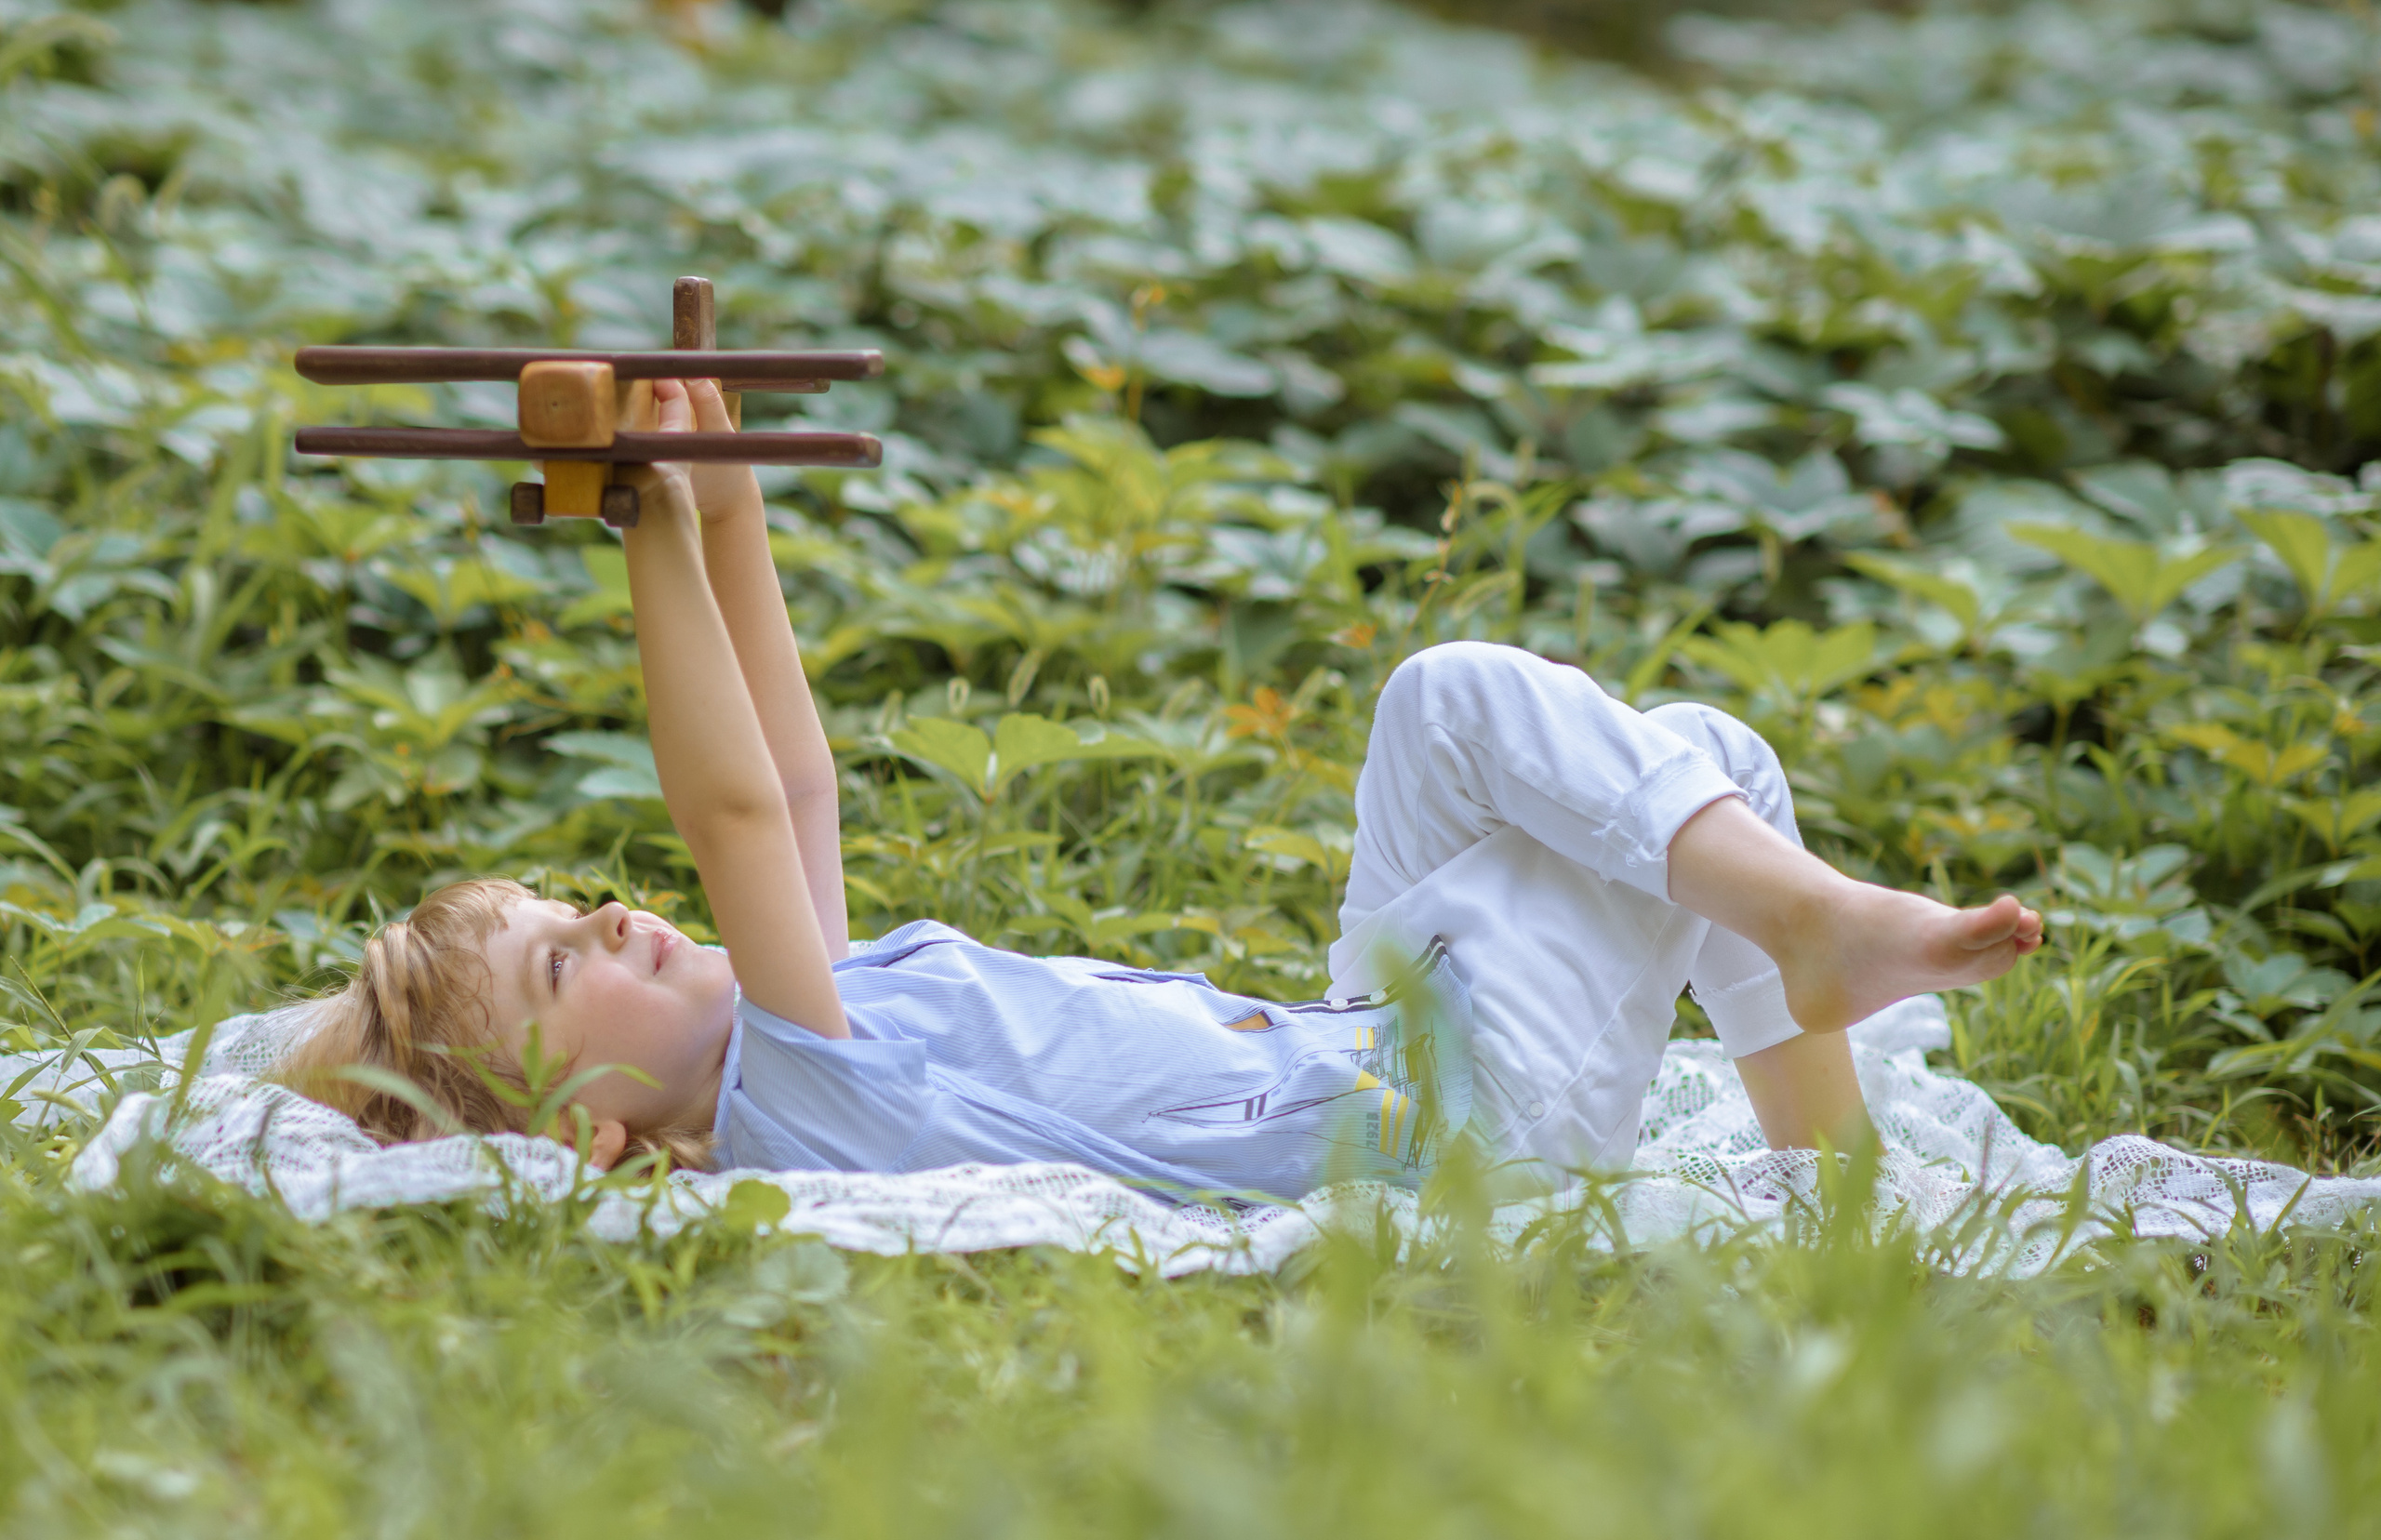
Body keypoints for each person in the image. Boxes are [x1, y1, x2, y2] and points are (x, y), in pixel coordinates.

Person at [281, 378, 2042, 1196]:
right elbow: (732, 809)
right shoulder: (794, 1103)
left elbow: (796, 786)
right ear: (588, 1132)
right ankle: (1836, 1123)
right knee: (1670, 759)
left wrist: (726, 501)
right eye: (554, 963)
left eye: (565, 907)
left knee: (1476, 721)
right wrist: (650, 532)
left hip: (1366, 1047)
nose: (608, 912)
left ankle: (1819, 1038)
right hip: (1450, 1129)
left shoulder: (818, 1015)